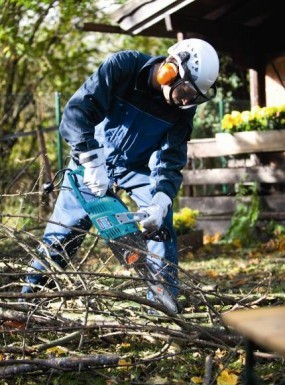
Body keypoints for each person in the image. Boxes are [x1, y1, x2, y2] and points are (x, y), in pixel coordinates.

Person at [20, 38, 219, 310]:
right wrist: (91, 159)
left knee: (160, 223)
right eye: (186, 90)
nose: (187, 100)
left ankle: (162, 306)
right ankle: (29, 301)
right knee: (62, 234)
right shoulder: (123, 67)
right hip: (92, 157)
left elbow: (170, 156)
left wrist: (161, 199)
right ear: (170, 70)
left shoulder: (182, 107)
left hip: (135, 168)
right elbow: (78, 112)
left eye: (194, 96)